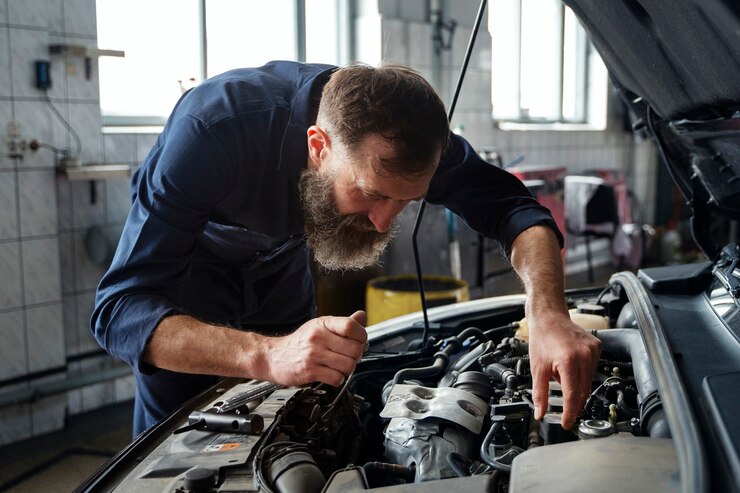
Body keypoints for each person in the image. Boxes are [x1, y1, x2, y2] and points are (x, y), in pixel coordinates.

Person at [92, 61, 601, 437]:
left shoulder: (407, 138)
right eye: (374, 194)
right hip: (188, 281)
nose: (384, 222)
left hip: (279, 271)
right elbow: (120, 311)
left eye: (407, 202)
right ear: (319, 146)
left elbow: (517, 210)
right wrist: (265, 353)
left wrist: (548, 313)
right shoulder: (214, 130)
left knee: (295, 428)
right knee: (188, 449)